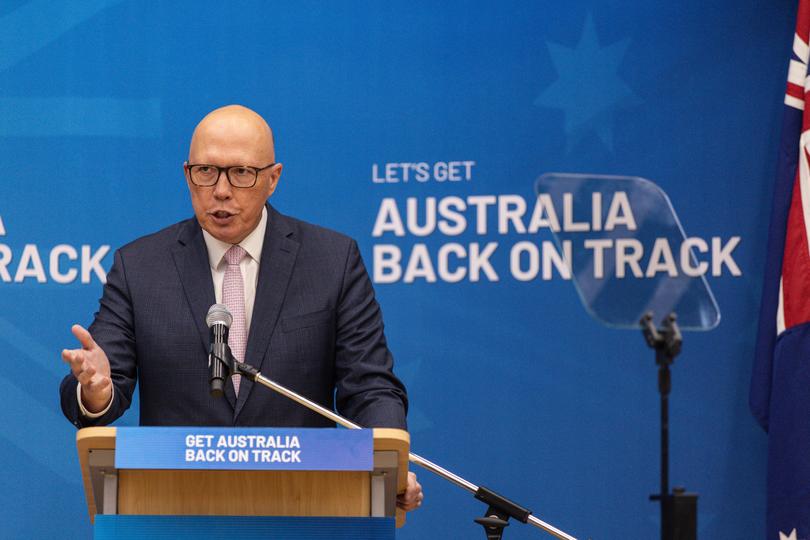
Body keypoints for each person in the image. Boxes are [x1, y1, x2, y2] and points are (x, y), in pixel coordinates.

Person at [59, 104, 423, 510]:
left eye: (241, 173)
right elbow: (101, 384)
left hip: (307, 507)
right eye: (206, 172)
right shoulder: (140, 267)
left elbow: (370, 386)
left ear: (272, 179)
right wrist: (97, 391)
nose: (220, 190)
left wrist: (389, 463)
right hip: (175, 510)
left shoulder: (331, 261)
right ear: (187, 174)